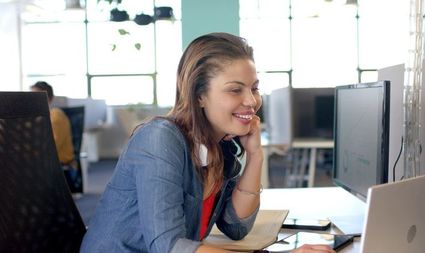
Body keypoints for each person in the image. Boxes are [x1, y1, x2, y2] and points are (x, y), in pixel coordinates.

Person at [80, 32, 335, 253]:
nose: (251, 101)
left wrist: (255, 156)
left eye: (254, 88)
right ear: (199, 95)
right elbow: (169, 246)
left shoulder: (220, 146)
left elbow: (237, 227)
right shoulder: (160, 139)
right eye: (235, 90)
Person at [30, 81, 75, 168]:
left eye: (36, 97)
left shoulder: (56, 116)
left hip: (58, 163)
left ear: (49, 99)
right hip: (47, 161)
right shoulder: (38, 118)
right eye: (31, 96)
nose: (32, 100)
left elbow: (52, 147)